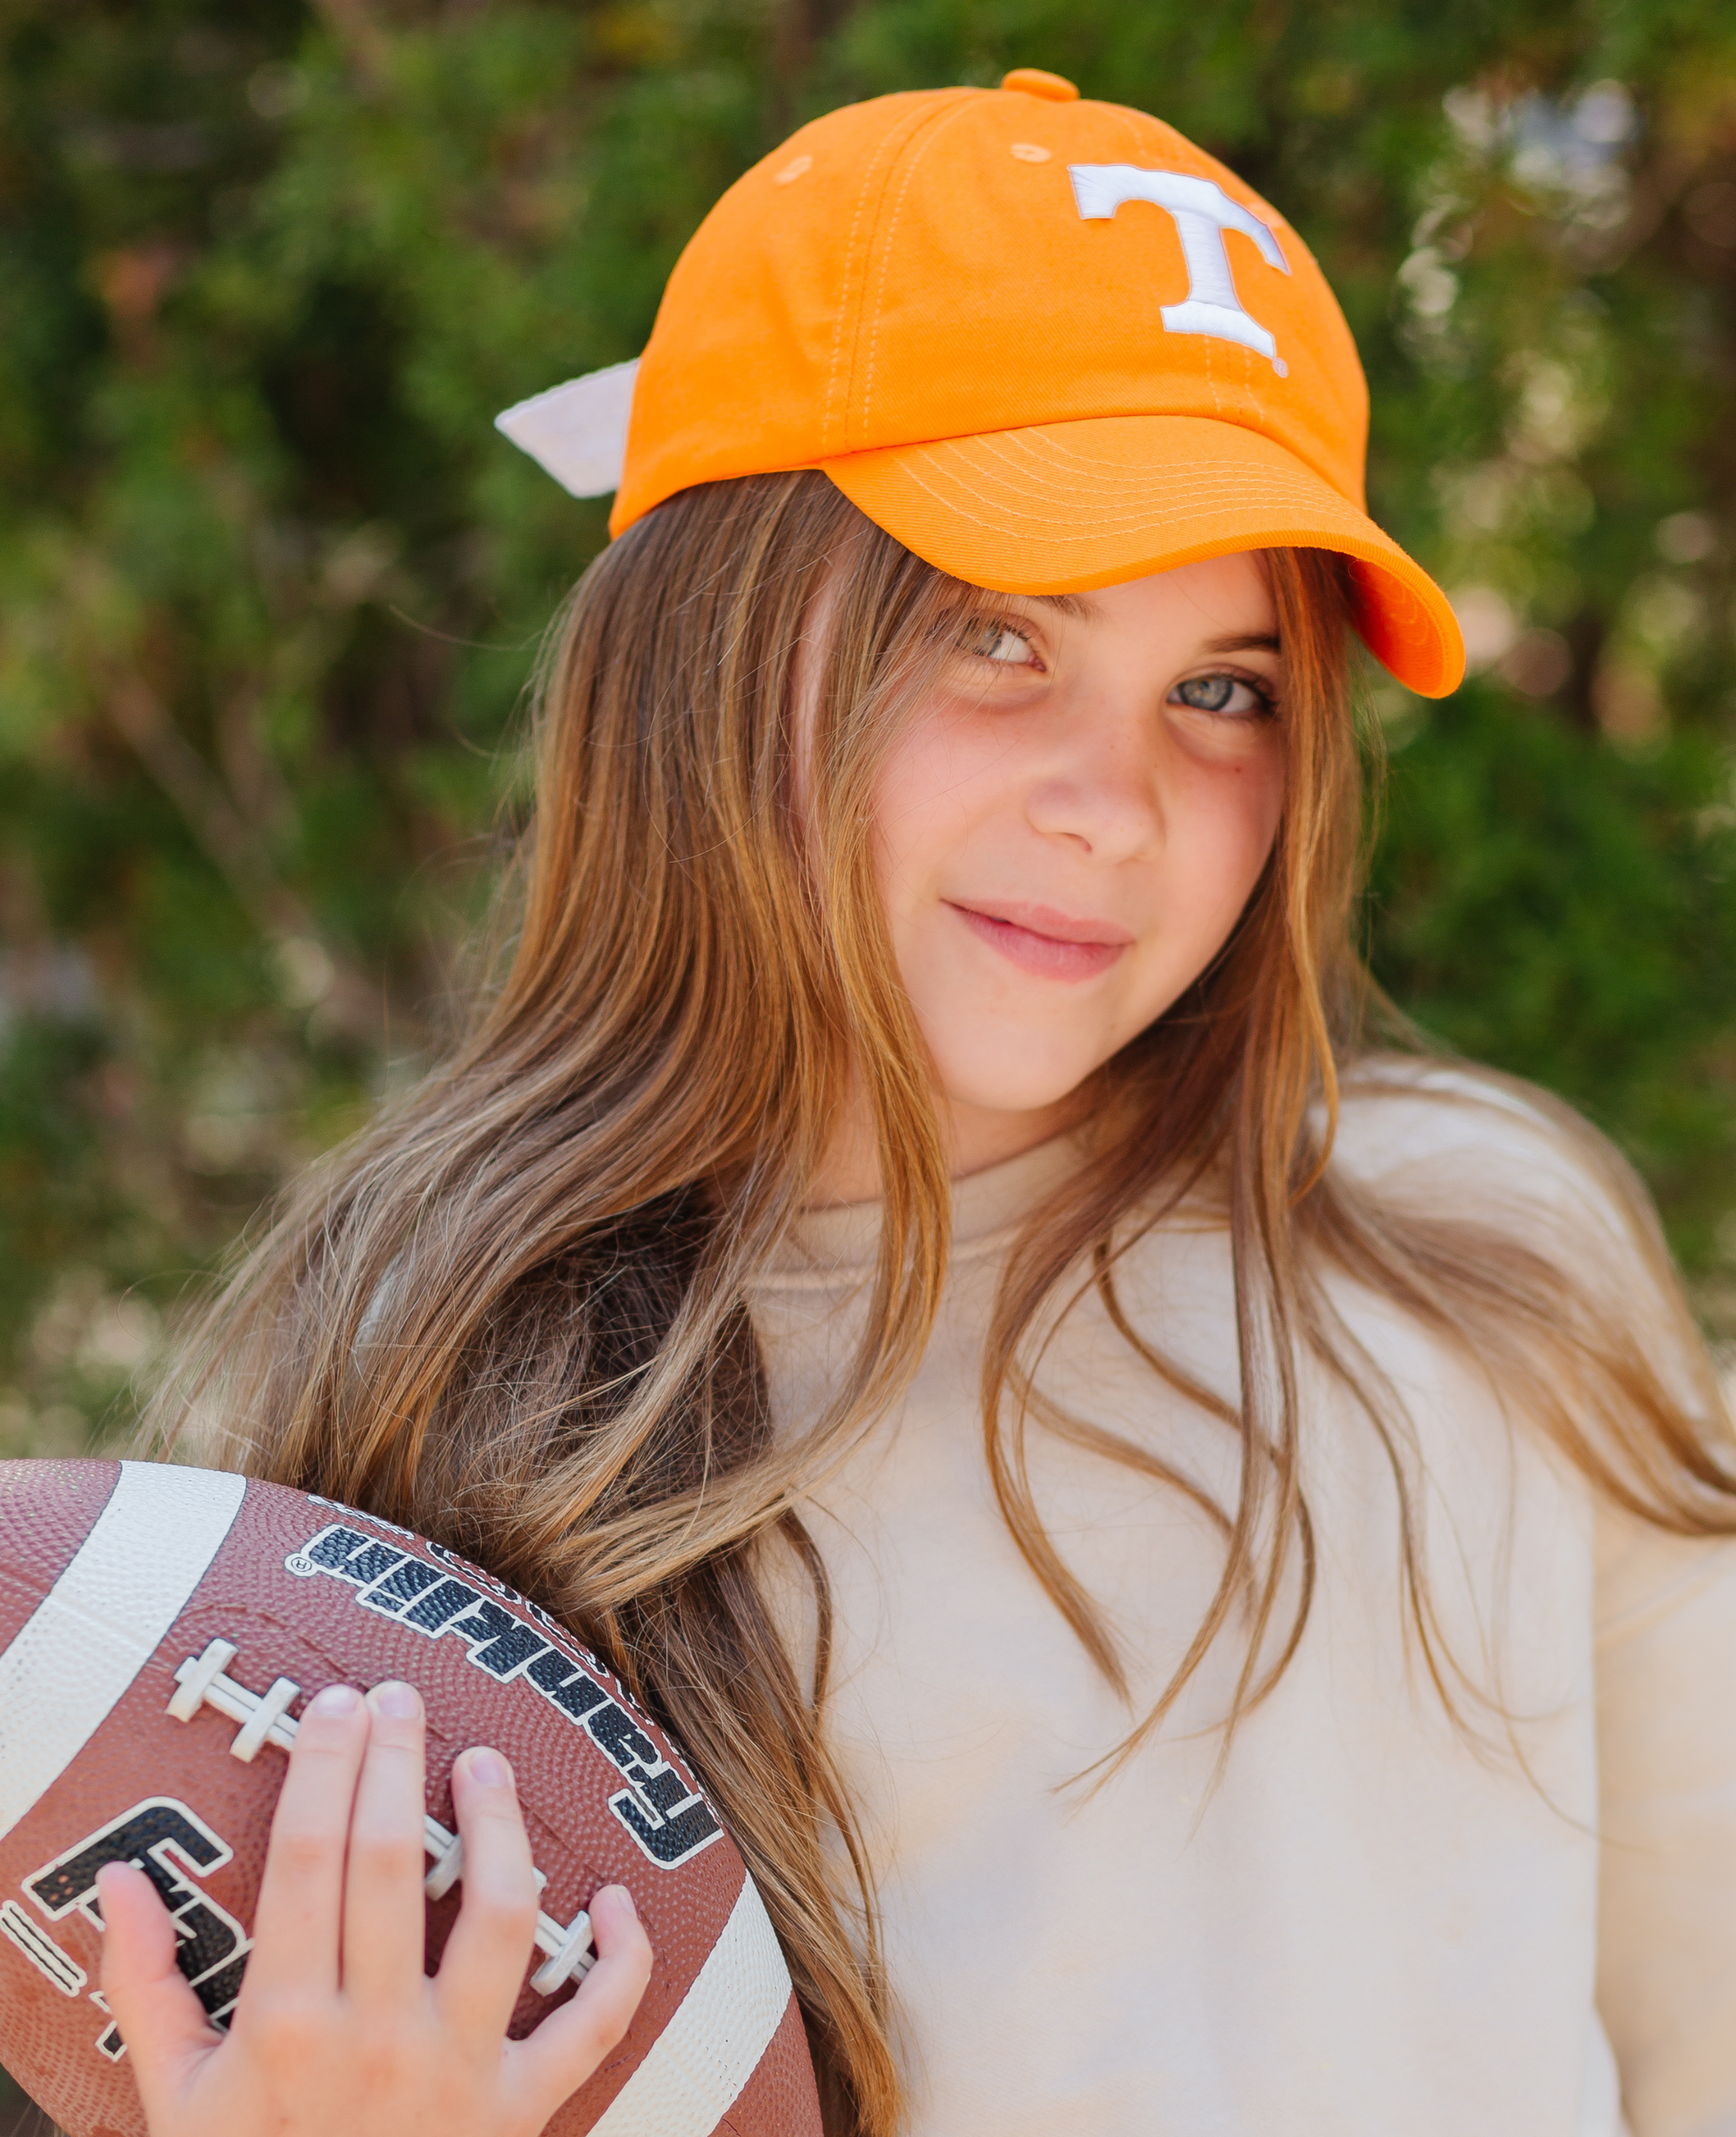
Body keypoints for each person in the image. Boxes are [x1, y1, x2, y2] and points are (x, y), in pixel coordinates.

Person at [105, 68, 1736, 2137]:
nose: (1117, 805)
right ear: (700, 661)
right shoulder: (457, 1388)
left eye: (1219, 688)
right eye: (992, 636)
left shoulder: (1494, 1255)